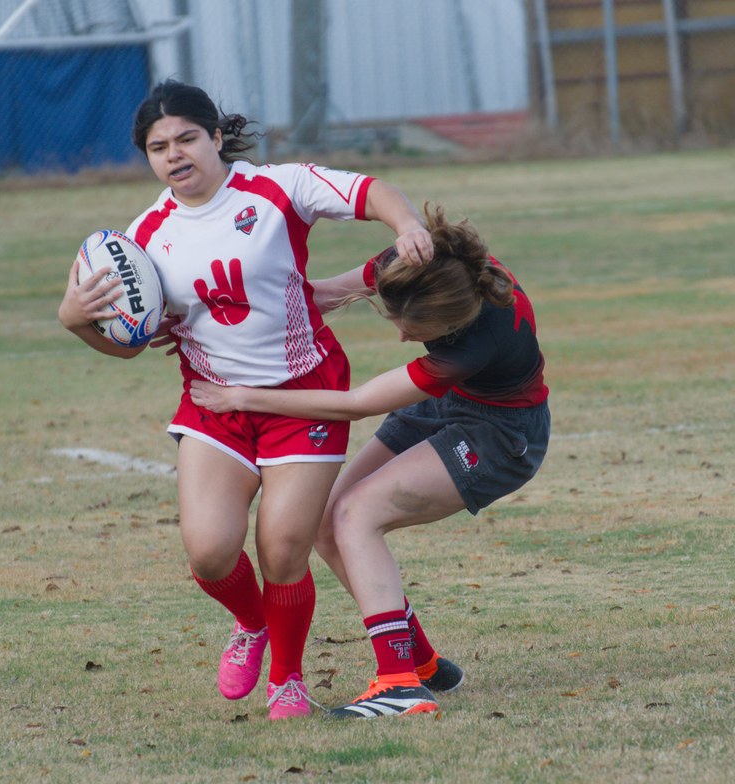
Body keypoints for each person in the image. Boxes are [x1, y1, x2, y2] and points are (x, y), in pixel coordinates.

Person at [58, 79, 435, 720]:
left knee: (283, 547)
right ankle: (253, 623)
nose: (174, 155)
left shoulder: (278, 188)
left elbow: (371, 192)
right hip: (215, 403)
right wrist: (75, 321)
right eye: (158, 147)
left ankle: (287, 679)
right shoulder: (143, 238)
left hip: (305, 393)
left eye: (186, 138)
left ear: (215, 136)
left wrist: (408, 224)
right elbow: (129, 345)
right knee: (209, 552)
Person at [189, 203, 550, 719]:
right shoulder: (420, 262)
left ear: (451, 324)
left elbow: (354, 403)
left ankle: (399, 684)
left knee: (356, 515)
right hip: (448, 404)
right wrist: (208, 318)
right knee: (323, 519)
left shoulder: (473, 347)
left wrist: (244, 396)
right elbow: (321, 295)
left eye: (415, 329)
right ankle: (421, 661)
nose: (402, 336)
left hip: (500, 434)